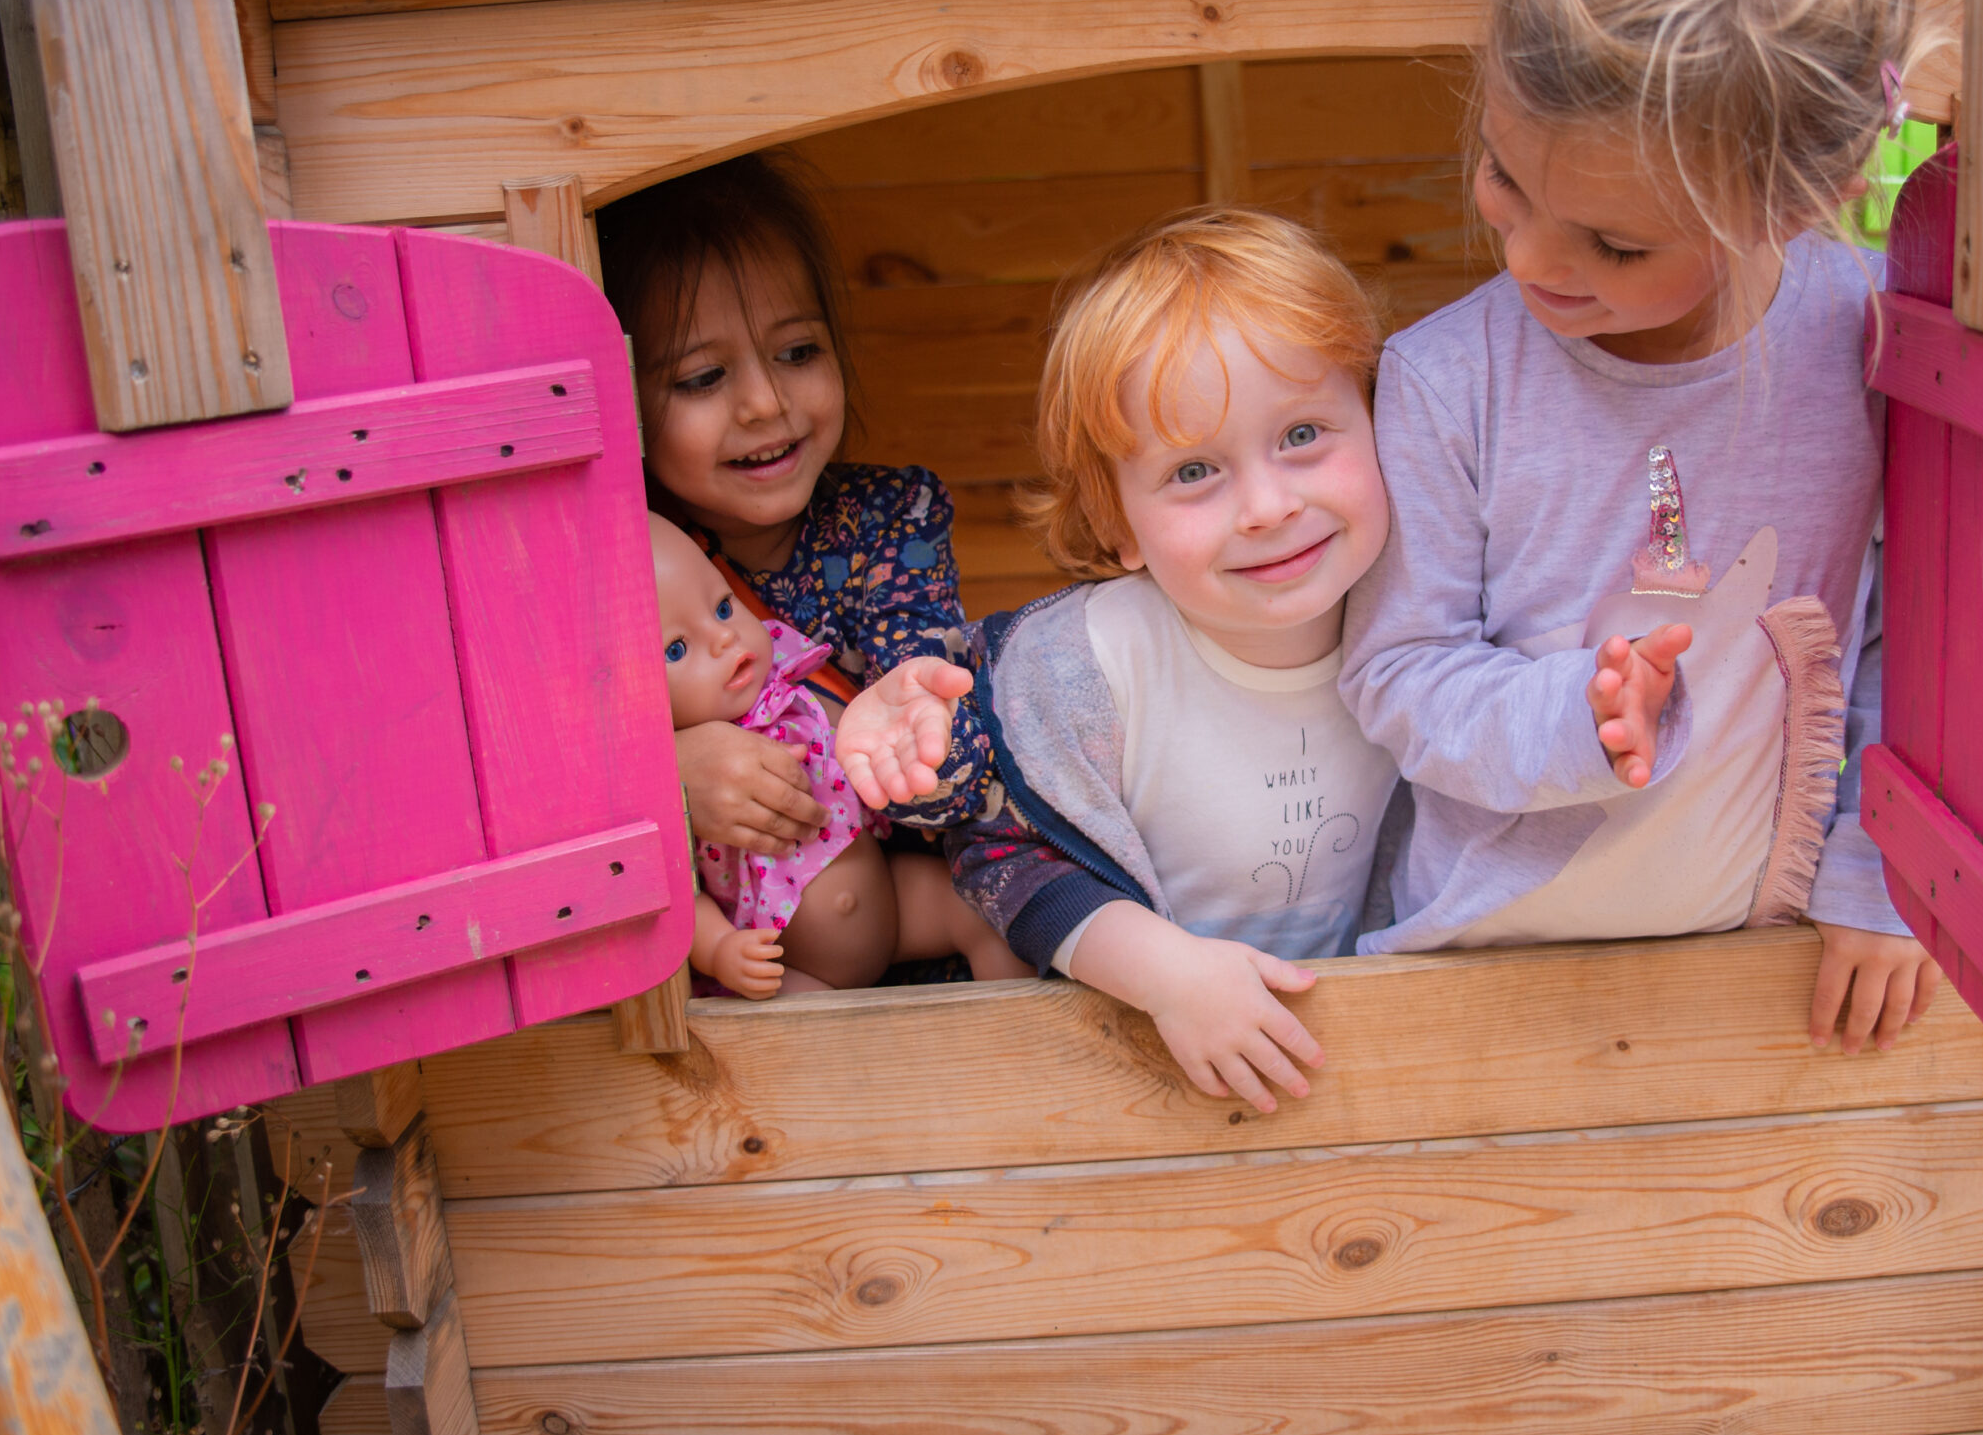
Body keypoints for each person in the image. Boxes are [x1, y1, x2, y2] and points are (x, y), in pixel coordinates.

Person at [1340, 0, 1983, 1055]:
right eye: (1504, 179)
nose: (1532, 260)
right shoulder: (1442, 377)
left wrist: (1884, 875)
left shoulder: (1873, 346)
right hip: (1478, 968)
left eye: (1617, 244)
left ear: (1799, 200)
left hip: (1765, 962)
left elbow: (1918, 641)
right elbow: (1397, 671)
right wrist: (1572, 716)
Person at [836, 209, 1436, 1113]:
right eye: (1195, 471)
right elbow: (1000, 853)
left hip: (1370, 1057)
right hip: (1124, 1071)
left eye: (1303, 434)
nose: (1268, 505)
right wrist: (1166, 975)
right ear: (1116, 525)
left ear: (1382, 422)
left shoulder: (1431, 620)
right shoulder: (1094, 667)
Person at [595, 153, 994, 862]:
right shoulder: (609, 565)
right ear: (622, 397)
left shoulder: (892, 518)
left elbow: (960, 782)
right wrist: (671, 776)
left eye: (798, 350)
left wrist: (907, 740)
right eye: (703, 376)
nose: (765, 403)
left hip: (900, 925)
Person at [648, 515, 1025, 996]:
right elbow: (679, 892)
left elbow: (848, 732)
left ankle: (1012, 1053)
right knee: (809, 1034)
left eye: (723, 607)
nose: (725, 637)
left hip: (889, 900)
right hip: (793, 962)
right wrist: (719, 950)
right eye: (676, 649)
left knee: (990, 908)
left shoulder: (790, 682)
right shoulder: (689, 773)